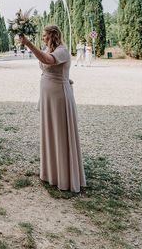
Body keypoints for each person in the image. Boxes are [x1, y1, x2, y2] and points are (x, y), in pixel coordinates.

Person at [20, 25, 86, 193]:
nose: (43, 38)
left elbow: (48, 60)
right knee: (50, 132)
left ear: (54, 36)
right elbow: (44, 58)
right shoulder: (49, 49)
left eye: (45, 36)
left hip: (59, 99)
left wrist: (28, 44)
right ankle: (52, 173)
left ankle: (64, 176)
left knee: (60, 133)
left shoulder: (63, 51)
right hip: (49, 98)